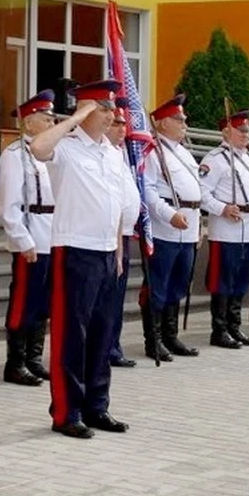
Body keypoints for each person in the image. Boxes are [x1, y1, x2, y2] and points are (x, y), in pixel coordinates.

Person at [30, 79, 136, 439]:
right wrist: (76, 118)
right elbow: (38, 147)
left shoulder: (112, 152)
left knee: (103, 335)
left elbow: (118, 204)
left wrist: (119, 251)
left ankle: (96, 406)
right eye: (103, 108)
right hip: (75, 250)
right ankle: (66, 411)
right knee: (71, 335)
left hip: (108, 252)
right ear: (86, 109)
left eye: (111, 109)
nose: (112, 115)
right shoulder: (68, 147)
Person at [0, 90, 57, 386]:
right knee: (24, 301)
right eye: (46, 118)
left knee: (43, 302)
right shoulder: (14, 156)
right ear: (29, 122)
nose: (51, 122)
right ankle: (15, 363)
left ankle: (34, 358)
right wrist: (23, 240)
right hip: (31, 237)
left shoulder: (51, 154)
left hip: (52, 235)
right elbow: (8, 204)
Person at [142, 94, 202, 359]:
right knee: (159, 286)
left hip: (187, 228)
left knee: (178, 285)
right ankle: (153, 340)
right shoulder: (154, 152)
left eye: (184, 118)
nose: (184, 122)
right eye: (179, 119)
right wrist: (169, 215)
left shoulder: (184, 153)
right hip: (166, 229)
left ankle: (170, 335)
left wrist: (196, 227)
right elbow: (149, 191)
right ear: (163, 123)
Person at [200, 110, 249, 349]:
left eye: (248, 131)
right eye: (241, 130)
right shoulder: (216, 159)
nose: (245, 135)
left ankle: (234, 327)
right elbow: (202, 192)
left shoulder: (246, 159)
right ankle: (219, 329)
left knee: (241, 279)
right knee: (223, 279)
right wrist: (222, 208)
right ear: (226, 130)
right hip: (228, 228)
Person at [105, 98, 139, 368]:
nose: (122, 128)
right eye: (116, 122)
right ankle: (104, 347)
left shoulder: (122, 153)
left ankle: (113, 345)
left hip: (124, 234)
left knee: (116, 298)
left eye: (124, 123)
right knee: (107, 298)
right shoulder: (104, 153)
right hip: (106, 236)